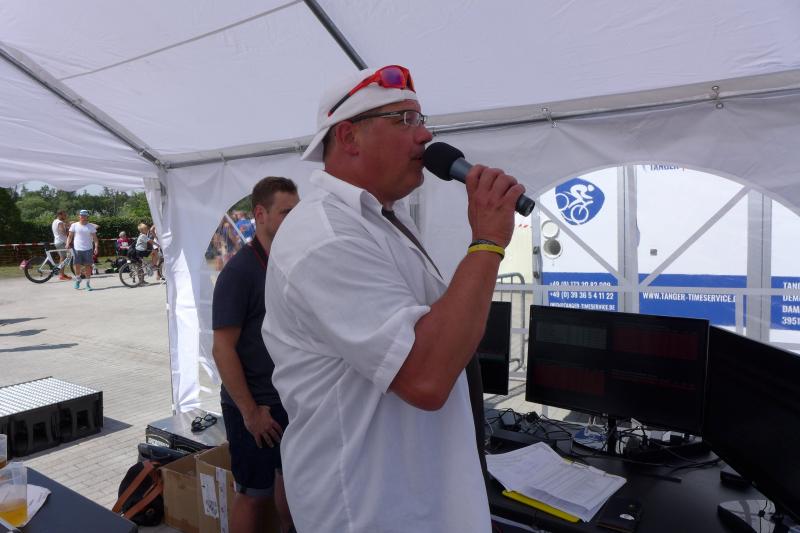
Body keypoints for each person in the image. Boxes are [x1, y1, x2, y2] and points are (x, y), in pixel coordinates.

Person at [261, 65, 523, 532]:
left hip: (415, 498)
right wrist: (487, 242)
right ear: (349, 137)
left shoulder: (378, 220)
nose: (425, 135)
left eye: (422, 120)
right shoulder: (325, 237)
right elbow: (425, 377)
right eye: (405, 119)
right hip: (372, 509)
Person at [213, 177, 299, 533]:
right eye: (286, 213)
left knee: (291, 483)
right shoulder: (239, 272)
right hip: (255, 407)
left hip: (288, 399)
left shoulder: (288, 262)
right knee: (253, 494)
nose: (294, 220)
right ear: (260, 214)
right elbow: (222, 349)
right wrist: (250, 412)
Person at [66, 209, 99, 291]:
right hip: (77, 249)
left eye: (85, 215)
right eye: (81, 215)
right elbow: (70, 236)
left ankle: (88, 284)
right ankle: (78, 279)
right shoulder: (74, 225)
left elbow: (95, 238)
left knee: (88, 267)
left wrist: (96, 247)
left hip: (88, 249)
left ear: (87, 217)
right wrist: (67, 243)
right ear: (79, 216)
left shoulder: (91, 226)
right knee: (77, 266)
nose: (83, 217)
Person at [51, 209, 72, 280]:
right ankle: (61, 274)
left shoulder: (55, 221)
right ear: (59, 215)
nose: (65, 216)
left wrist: (66, 224)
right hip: (61, 242)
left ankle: (62, 273)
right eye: (64, 215)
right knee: (64, 257)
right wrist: (69, 229)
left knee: (65, 257)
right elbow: (63, 232)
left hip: (59, 241)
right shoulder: (59, 222)